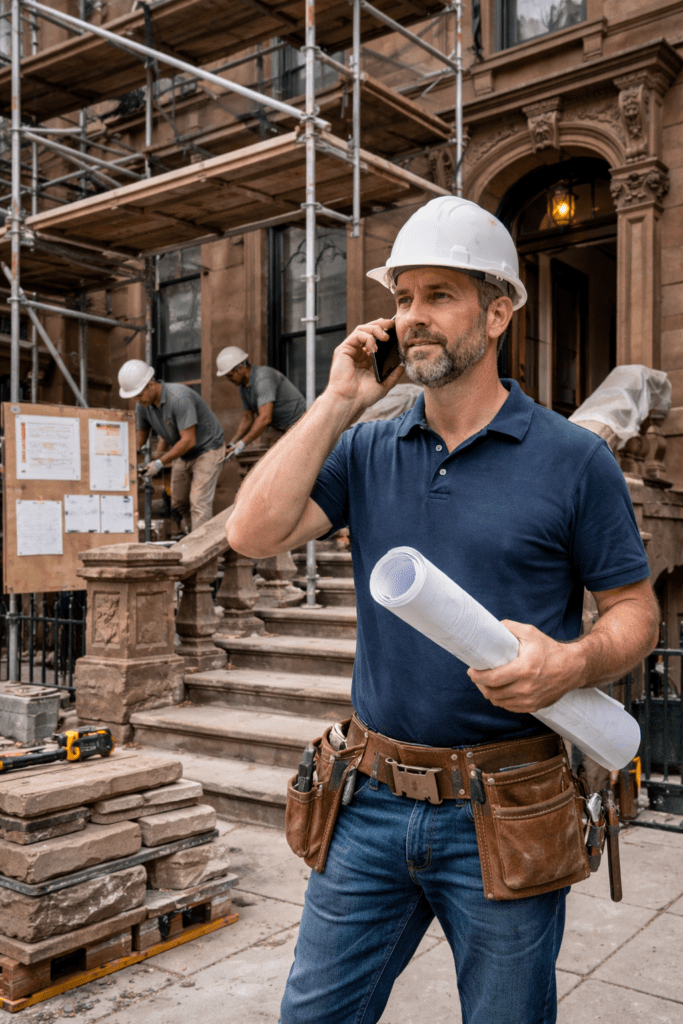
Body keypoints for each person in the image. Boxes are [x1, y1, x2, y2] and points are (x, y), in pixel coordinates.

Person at [226, 197, 659, 1024]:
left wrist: (568, 663)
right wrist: (339, 399)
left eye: (438, 296)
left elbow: (633, 611)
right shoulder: (365, 448)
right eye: (401, 298)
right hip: (367, 799)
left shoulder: (572, 461)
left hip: (507, 806)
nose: (411, 319)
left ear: (497, 313)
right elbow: (252, 533)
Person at [119, 360, 225, 532]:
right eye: (133, 396)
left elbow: (189, 440)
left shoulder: (179, 398)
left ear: (151, 385)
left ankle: (202, 553)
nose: (136, 400)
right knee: (178, 502)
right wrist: (124, 459)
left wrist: (160, 462)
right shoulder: (143, 406)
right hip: (185, 453)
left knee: (198, 502)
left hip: (208, 448)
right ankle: (195, 538)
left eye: (138, 395)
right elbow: (139, 440)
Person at [216, 346, 305, 458]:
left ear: (241, 368)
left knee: (296, 460)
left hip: (298, 421)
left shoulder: (263, 379)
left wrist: (242, 444)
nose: (229, 380)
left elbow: (265, 418)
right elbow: (248, 418)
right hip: (278, 426)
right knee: (274, 462)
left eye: (230, 375)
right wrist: (233, 443)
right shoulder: (243, 387)